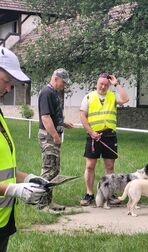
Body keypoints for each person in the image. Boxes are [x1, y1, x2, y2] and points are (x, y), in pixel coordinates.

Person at [0, 48, 48, 252]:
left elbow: (5, 168)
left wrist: (27, 178)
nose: (10, 87)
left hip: (3, 219)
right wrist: (14, 190)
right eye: (7, 80)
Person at [80, 73, 129, 206]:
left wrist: (116, 84)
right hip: (93, 136)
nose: (103, 86)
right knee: (90, 166)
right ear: (96, 83)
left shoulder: (112, 96)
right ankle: (89, 194)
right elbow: (82, 116)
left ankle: (110, 194)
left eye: (106, 85)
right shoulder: (89, 97)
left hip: (110, 136)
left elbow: (125, 99)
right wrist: (91, 133)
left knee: (110, 167)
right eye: (101, 84)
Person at [38, 68, 74, 212]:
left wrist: (63, 123)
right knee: (48, 170)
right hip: (48, 136)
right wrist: (55, 136)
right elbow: (45, 117)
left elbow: (52, 115)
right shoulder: (46, 93)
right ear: (56, 78)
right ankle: (41, 205)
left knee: (54, 170)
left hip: (52, 134)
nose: (64, 85)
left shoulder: (53, 93)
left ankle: (49, 202)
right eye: (63, 82)